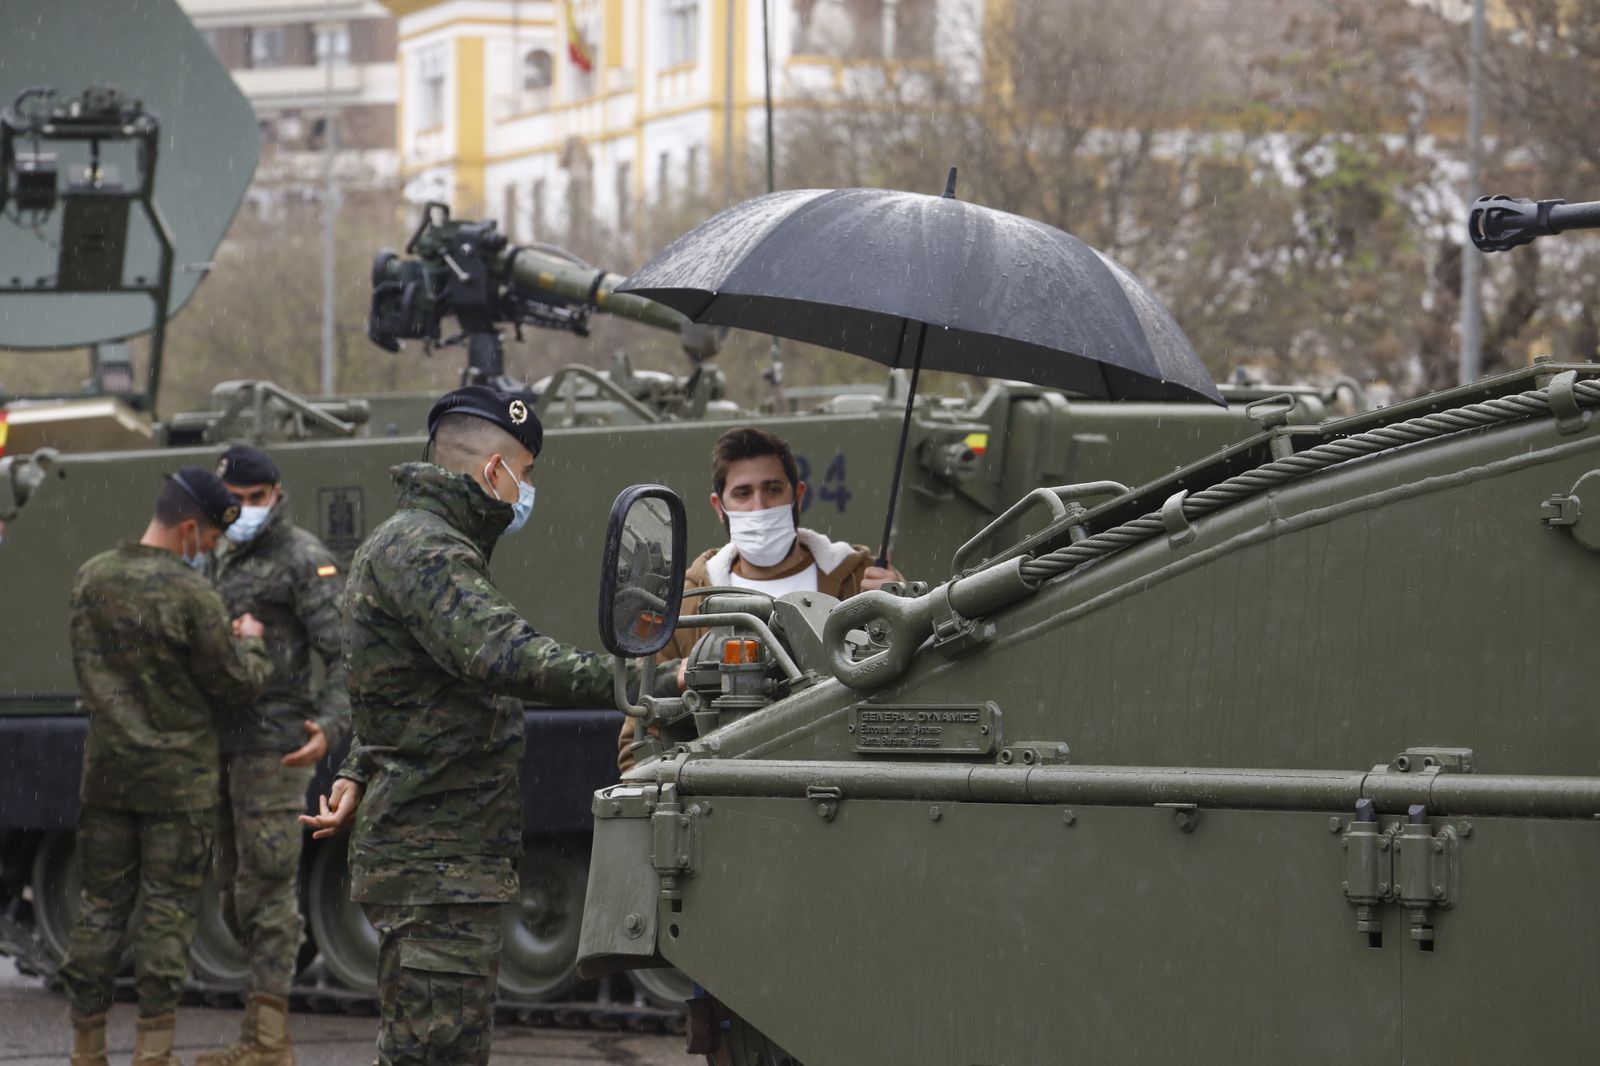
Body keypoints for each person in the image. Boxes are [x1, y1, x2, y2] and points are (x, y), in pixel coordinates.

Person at [298, 386, 631, 1066]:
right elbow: (504, 653)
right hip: (436, 860)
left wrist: (360, 767)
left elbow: (396, 687)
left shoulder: (417, 542)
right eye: (525, 474)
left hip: (441, 854)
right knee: (436, 1051)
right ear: (492, 474)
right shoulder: (427, 551)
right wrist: (639, 678)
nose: (527, 491)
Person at [61, 468, 269, 1066]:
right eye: (206, 538)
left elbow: (101, 668)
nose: (208, 550)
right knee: (167, 914)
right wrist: (250, 641)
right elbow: (234, 685)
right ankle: (154, 1053)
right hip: (179, 786)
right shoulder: (191, 594)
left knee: (100, 911)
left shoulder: (91, 577)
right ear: (186, 527)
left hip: (107, 776)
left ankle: (87, 1047)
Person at [616, 425, 902, 771]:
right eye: (743, 493)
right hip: (731, 797)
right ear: (719, 507)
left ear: (797, 496)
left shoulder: (857, 581)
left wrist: (897, 607)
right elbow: (641, 735)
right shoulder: (687, 601)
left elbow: (917, 692)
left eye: (772, 489)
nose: (759, 507)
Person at [198, 445, 349, 1066]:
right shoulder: (211, 552)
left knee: (267, 890)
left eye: (255, 499)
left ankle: (268, 1041)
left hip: (276, 747)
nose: (244, 510)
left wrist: (331, 725)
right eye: (234, 500)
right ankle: (260, 1032)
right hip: (218, 745)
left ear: (275, 494)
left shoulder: (301, 560)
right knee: (231, 893)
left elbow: (344, 653)